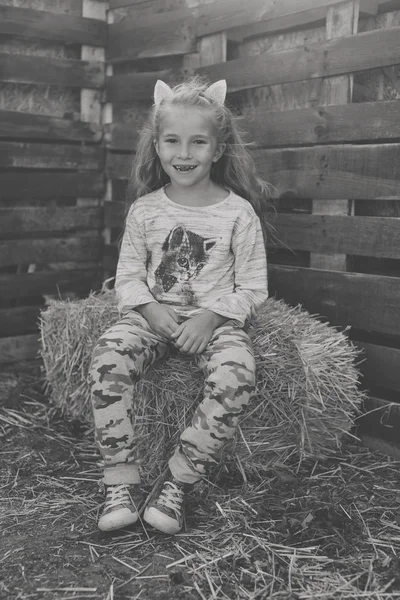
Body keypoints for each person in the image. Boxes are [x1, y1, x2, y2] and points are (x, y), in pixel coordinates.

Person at [89, 76, 273, 535]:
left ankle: (176, 484)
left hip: (214, 323)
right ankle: (121, 481)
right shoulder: (145, 211)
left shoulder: (238, 214)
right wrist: (150, 310)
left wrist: (213, 317)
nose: (184, 153)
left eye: (198, 142)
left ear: (219, 148)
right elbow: (128, 278)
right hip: (153, 318)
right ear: (157, 145)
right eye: (172, 141)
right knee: (107, 355)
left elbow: (253, 286)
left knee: (237, 371)